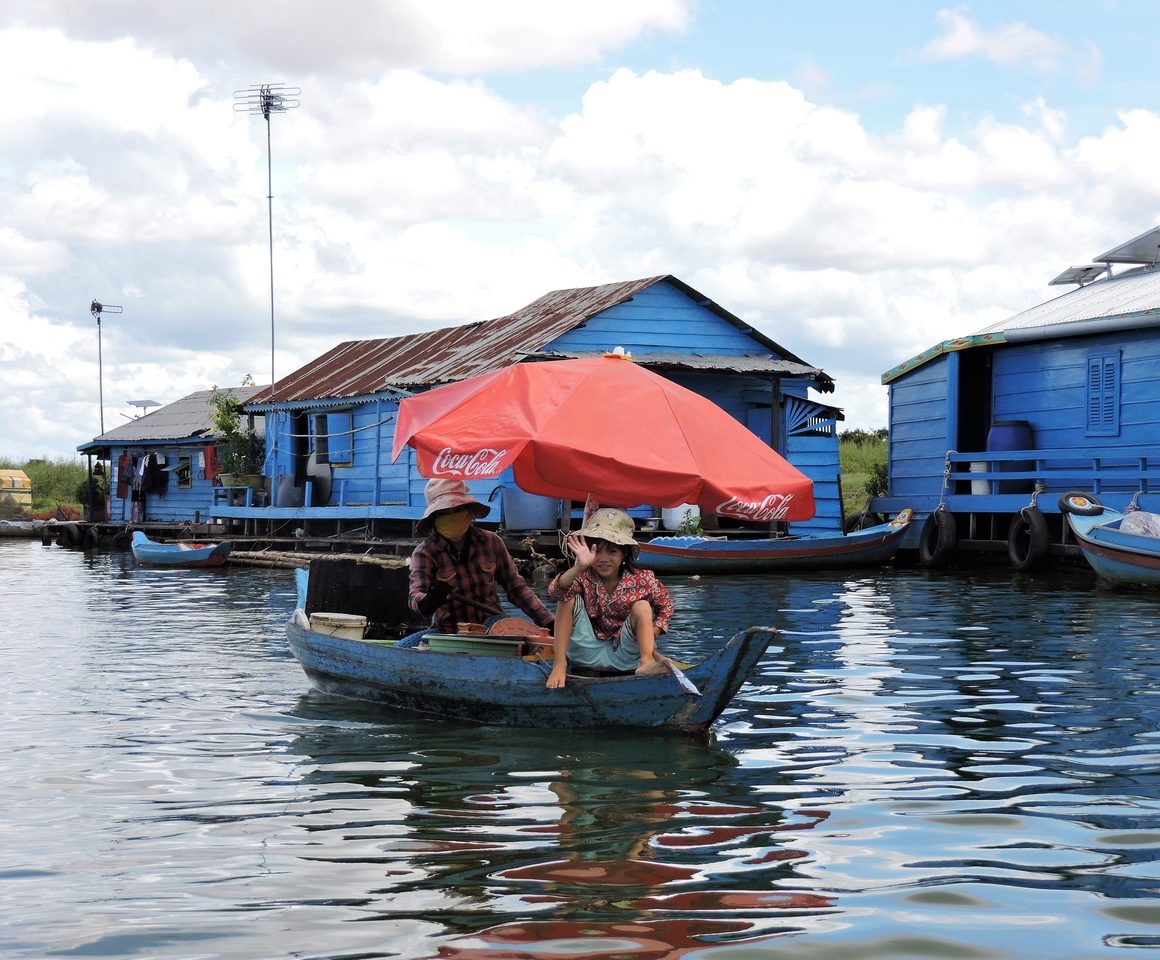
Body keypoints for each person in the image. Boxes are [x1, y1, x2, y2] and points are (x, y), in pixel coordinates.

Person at [401, 478, 554, 646]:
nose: (451, 516)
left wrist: (547, 620)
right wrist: (429, 601)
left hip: (492, 624)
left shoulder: (491, 542)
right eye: (443, 513)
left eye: (456, 510)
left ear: (468, 511)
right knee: (401, 648)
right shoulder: (425, 553)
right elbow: (414, 597)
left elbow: (517, 589)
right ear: (434, 519)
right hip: (448, 632)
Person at [546, 507, 674, 688]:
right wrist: (578, 567)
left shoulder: (643, 579)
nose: (603, 559)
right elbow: (555, 592)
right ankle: (559, 665)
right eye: (597, 551)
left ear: (624, 554)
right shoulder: (583, 576)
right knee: (567, 598)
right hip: (586, 653)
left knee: (643, 606)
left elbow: (666, 607)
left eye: (612, 551)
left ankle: (646, 662)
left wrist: (651, 633)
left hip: (626, 655)